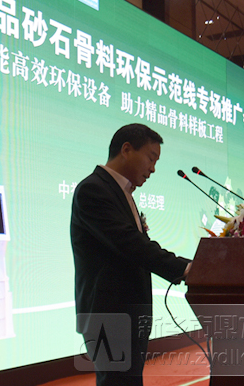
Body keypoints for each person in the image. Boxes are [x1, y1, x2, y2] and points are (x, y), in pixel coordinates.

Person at [70, 123, 191, 385]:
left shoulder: (121, 192)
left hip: (128, 314)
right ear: (126, 149)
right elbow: (130, 244)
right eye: (151, 158)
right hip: (109, 315)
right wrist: (184, 268)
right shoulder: (93, 189)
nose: (153, 168)